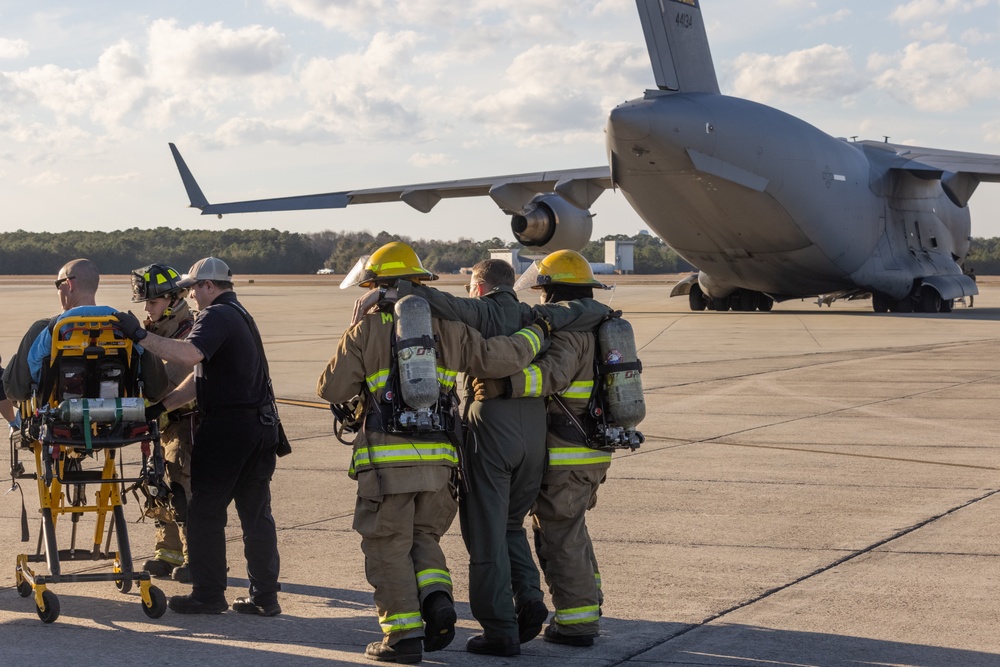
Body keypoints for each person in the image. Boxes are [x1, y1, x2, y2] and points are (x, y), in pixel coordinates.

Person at [316, 242, 550, 665]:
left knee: (387, 545)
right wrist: (537, 332)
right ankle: (438, 598)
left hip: (388, 465)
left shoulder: (366, 329)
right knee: (424, 537)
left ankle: (403, 637)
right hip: (440, 460)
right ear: (419, 283)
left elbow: (332, 390)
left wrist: (354, 331)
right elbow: (498, 359)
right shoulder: (450, 329)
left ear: (374, 285)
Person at [398, 258, 609, 656]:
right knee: (512, 525)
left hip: (492, 434)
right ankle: (528, 599)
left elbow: (437, 301)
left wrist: (394, 288)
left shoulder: (482, 308)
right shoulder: (538, 315)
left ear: (479, 286)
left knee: (486, 534)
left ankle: (499, 629)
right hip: (535, 437)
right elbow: (582, 310)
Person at [113, 257, 282, 617]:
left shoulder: (215, 316)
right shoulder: (239, 314)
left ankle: (208, 595)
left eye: (193, 287)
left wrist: (140, 335)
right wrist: (164, 407)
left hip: (228, 431)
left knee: (204, 513)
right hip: (260, 428)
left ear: (209, 285)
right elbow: (201, 375)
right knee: (256, 515)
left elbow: (189, 356)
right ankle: (265, 597)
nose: (190, 293)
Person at [476, 250, 620, 647]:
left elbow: (549, 377)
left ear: (554, 292)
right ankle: (589, 603)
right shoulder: (596, 324)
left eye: (543, 294)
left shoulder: (572, 334)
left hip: (567, 454)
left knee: (559, 537)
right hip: (590, 450)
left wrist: (505, 386)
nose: (539, 301)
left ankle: (576, 623)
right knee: (573, 530)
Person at [2, 259, 167, 403]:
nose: (58, 291)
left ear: (70, 284)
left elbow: (16, 391)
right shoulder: (127, 327)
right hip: (116, 413)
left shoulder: (44, 329)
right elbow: (156, 389)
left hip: (56, 413)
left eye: (59, 285)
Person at [130, 264, 198, 583]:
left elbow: (167, 383)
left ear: (172, 300)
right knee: (158, 485)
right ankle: (168, 552)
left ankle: (198, 557)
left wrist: (130, 409)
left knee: (184, 489)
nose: (146, 309)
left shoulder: (190, 331)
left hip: (187, 425)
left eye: (151, 302)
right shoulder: (155, 332)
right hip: (161, 425)